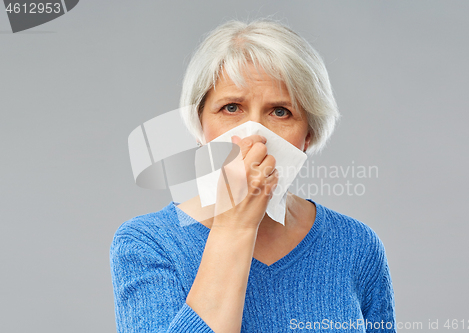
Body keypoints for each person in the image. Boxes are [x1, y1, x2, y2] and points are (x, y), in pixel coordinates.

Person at [110, 18, 396, 333]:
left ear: (308, 135)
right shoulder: (148, 244)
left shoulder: (357, 245)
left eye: (280, 112)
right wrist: (235, 227)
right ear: (199, 126)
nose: (255, 135)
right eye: (232, 108)